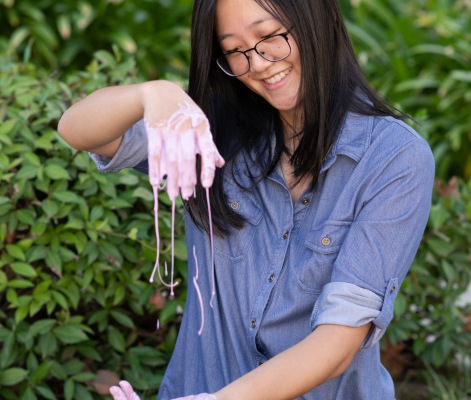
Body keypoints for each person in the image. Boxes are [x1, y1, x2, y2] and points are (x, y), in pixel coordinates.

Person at [57, 0, 435, 398]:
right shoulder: (212, 132)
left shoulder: (394, 157)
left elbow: (337, 342)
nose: (256, 63)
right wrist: (151, 94)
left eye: (269, 36)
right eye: (235, 50)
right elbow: (77, 130)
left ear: (318, 21)